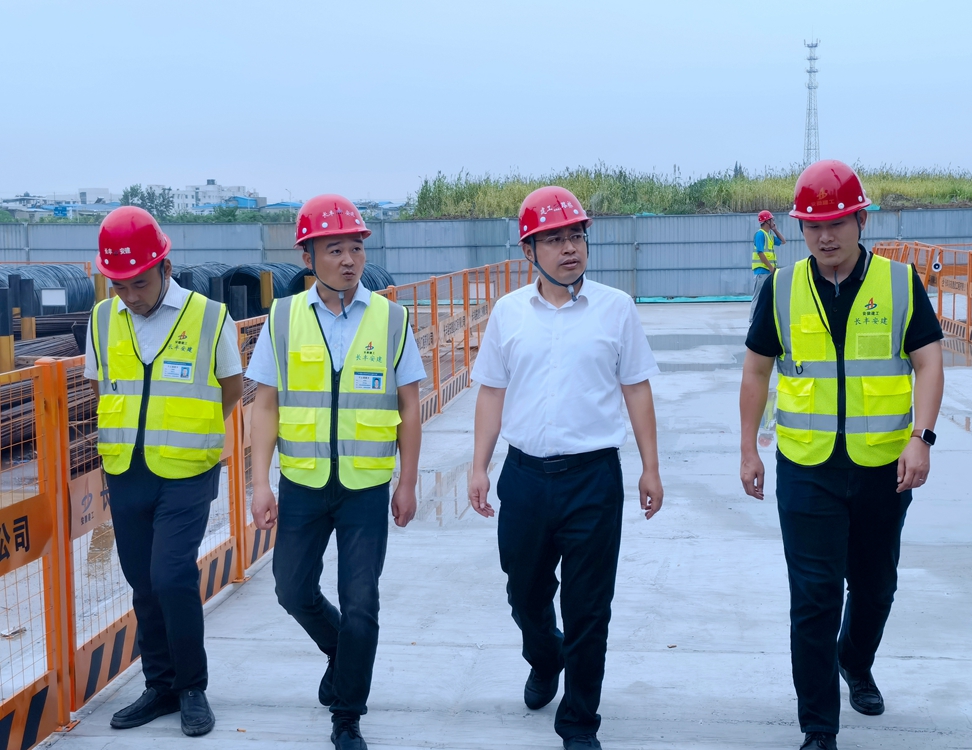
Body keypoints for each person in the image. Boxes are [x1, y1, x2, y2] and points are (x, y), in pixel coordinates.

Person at [739, 160, 944, 750]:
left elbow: (929, 361)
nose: (825, 236)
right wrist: (749, 449)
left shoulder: (899, 283)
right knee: (814, 597)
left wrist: (922, 437)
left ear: (860, 221)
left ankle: (854, 660)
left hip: (885, 468)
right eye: (812, 225)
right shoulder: (780, 289)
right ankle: (818, 728)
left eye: (836, 223)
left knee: (875, 588)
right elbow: (756, 371)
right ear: (800, 229)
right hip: (807, 469)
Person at [468, 186, 664, 750]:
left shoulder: (615, 308)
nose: (569, 248)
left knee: (588, 608)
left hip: (593, 480)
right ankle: (544, 655)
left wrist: (650, 467)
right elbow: (491, 393)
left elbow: (636, 389)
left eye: (576, 236)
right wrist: (479, 467)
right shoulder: (508, 313)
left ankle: (579, 722)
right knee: (524, 594)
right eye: (553, 239)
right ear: (529, 249)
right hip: (525, 478)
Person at [246, 194, 425, 750]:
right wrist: (259, 482)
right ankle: (342, 657)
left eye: (355, 248)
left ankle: (347, 714)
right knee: (291, 589)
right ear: (308, 257)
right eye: (334, 250)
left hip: (366, 488)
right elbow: (264, 404)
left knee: (361, 603)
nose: (349, 260)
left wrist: (408, 482)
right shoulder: (283, 318)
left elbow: (410, 404)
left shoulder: (391, 319)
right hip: (302, 483)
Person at [85, 206, 244, 737]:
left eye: (140, 283)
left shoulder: (210, 317)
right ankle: (160, 686)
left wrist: (191, 430)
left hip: (186, 471)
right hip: (125, 470)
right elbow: (101, 386)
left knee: (171, 575)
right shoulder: (102, 319)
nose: (130, 295)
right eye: (119, 285)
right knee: (142, 582)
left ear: (165, 268)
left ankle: (192, 686)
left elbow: (230, 389)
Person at [749, 210, 785, 323]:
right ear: (766, 221)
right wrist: (770, 267)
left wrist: (775, 230)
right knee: (758, 297)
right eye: (771, 219)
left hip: (768, 272)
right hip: (762, 271)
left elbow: (783, 241)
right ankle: (752, 322)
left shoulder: (769, 235)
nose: (773, 221)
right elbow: (760, 252)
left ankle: (764, 321)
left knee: (768, 297)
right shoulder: (760, 234)